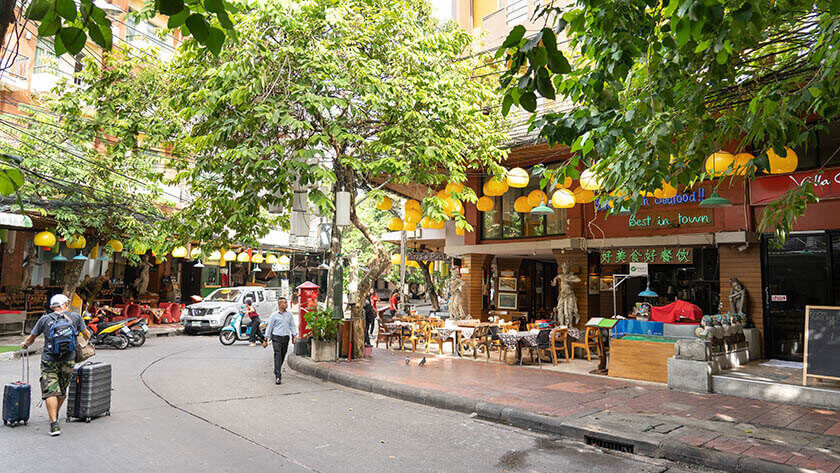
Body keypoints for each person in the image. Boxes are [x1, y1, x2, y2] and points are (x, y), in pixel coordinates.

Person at [20, 294, 90, 437]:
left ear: (52, 307)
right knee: (62, 390)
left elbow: (31, 338)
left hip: (49, 359)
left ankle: (53, 424)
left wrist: (25, 344)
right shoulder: (75, 317)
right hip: (68, 360)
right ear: (65, 304)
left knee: (51, 390)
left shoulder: (45, 319)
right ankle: (55, 414)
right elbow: (86, 334)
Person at [262, 297, 297, 384]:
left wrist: (294, 336)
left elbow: (292, 325)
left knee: (282, 355)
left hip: (285, 337)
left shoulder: (289, 315)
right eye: (284, 303)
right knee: (277, 354)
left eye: (286, 303)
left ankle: (277, 369)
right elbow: (269, 327)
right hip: (276, 337)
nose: (286, 304)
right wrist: (265, 339)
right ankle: (278, 375)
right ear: (279, 304)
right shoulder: (274, 315)